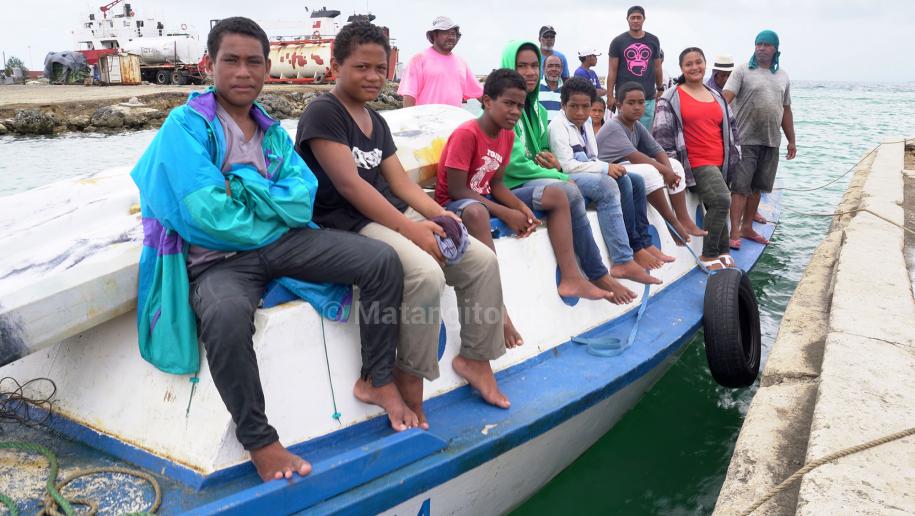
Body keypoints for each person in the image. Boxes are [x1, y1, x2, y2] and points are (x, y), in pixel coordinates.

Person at [130, 17, 414, 483]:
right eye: (232, 61)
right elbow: (203, 213)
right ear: (210, 64)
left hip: (284, 243)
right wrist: (265, 203)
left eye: (254, 62)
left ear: (266, 68)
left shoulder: (273, 132)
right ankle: (259, 440)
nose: (243, 72)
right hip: (218, 262)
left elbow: (300, 195)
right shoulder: (186, 127)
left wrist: (239, 189)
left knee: (381, 260)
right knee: (222, 317)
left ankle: (377, 377)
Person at [297, 22, 511, 431]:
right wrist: (411, 230)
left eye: (380, 68)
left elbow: (398, 182)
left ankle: (476, 359)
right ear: (336, 66)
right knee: (424, 275)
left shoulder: (375, 121)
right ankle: (408, 377)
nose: (374, 77)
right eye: (362, 67)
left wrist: (437, 215)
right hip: (347, 223)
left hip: (389, 213)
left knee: (481, 259)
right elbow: (350, 185)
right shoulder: (323, 112)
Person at [436, 69, 619, 343]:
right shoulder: (467, 134)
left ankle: (571, 277)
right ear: (486, 101)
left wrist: (520, 210)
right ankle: (498, 309)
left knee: (558, 195)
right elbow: (457, 189)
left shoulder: (507, 136)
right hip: (458, 203)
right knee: (478, 213)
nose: (515, 111)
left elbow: (496, 185)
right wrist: (505, 212)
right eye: (508, 103)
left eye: (520, 105)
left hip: (487, 196)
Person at [501, 39, 651, 294]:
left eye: (534, 65)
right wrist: (557, 171)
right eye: (521, 65)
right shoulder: (504, 108)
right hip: (513, 184)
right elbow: (513, 164)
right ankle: (598, 272)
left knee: (622, 181)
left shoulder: (535, 108)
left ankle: (631, 251)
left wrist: (552, 162)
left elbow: (541, 149)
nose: (529, 72)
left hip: (535, 175)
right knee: (571, 190)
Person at [549, 76, 672, 276]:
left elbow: (593, 157)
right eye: (573, 106)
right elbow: (567, 166)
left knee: (636, 181)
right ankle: (625, 255)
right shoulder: (558, 126)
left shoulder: (586, 123)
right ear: (563, 105)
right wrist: (606, 169)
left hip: (583, 169)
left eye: (585, 106)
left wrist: (607, 166)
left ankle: (642, 242)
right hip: (567, 176)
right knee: (614, 183)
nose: (580, 112)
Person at [654, 47, 741, 270]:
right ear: (682, 68)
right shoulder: (671, 96)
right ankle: (708, 255)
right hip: (694, 162)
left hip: (721, 162)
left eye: (698, 62)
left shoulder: (716, 95)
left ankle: (723, 251)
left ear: (705, 64)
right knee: (722, 200)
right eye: (689, 64)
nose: (694, 67)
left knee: (716, 203)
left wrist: (736, 154)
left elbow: (732, 127)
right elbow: (661, 135)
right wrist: (671, 167)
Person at [597, 82, 706, 247]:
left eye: (641, 103)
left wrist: (669, 170)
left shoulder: (636, 125)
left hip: (623, 168)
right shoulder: (614, 126)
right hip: (608, 172)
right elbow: (635, 157)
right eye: (631, 103)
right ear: (619, 105)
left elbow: (657, 150)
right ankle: (672, 223)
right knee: (650, 171)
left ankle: (684, 219)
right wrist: (665, 172)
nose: (637, 107)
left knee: (675, 164)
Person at [722, 30, 796, 249]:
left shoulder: (783, 75)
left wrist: (792, 140)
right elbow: (724, 101)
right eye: (758, 44)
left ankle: (747, 227)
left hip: (771, 140)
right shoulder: (743, 71)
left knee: (758, 187)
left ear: (775, 49)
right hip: (745, 139)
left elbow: (786, 109)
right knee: (740, 188)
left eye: (766, 45)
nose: (761, 48)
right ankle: (734, 232)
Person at [397, 16, 483, 107]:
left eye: (453, 34)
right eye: (446, 32)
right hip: (424, 120)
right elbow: (409, 96)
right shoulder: (418, 59)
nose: (451, 37)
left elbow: (480, 93)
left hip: (455, 121)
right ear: (434, 35)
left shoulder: (462, 63)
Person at [607, 6, 664, 129]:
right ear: (627, 19)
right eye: (633, 18)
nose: (636, 20)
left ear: (644, 19)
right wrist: (610, 96)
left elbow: (657, 67)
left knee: (645, 135)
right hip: (624, 98)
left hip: (647, 97)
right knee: (626, 133)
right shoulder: (617, 42)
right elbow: (612, 70)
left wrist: (660, 88)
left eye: (639, 17)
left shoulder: (653, 40)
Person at [539, 55, 564, 121]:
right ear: (543, 69)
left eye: (557, 66)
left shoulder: (567, 90)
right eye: (550, 66)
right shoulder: (536, 89)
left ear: (562, 70)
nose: (554, 69)